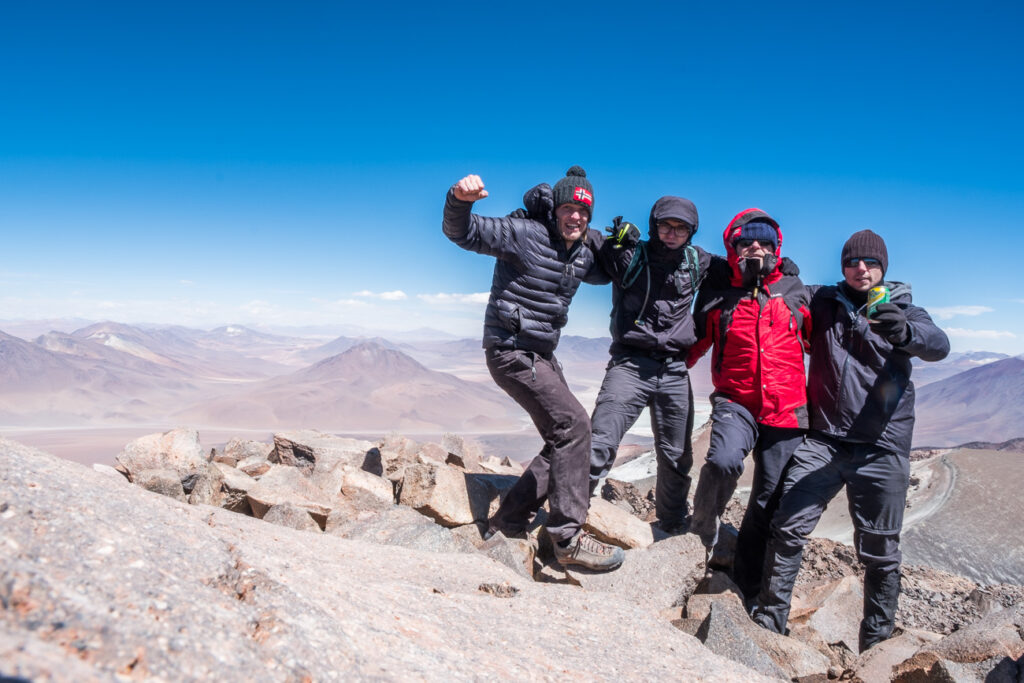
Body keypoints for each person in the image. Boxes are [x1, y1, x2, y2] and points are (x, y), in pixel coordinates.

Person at [752, 230, 950, 652]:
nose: (862, 269)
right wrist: (781, 275)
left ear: (883, 268)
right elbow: (789, 294)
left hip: (883, 446)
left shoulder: (904, 308)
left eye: (871, 263)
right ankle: (769, 628)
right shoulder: (824, 299)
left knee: (880, 552)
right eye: (853, 262)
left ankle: (874, 651)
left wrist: (903, 331)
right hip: (825, 440)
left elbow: (939, 346)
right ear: (842, 267)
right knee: (787, 526)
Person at [442, 165, 625, 571]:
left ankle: (508, 520)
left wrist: (622, 244)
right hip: (511, 350)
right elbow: (463, 232)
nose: (575, 217)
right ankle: (567, 538)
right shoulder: (524, 233)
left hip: (541, 354)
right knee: (574, 426)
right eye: (568, 208)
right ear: (556, 208)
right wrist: (459, 199)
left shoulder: (582, 247)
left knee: (562, 437)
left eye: (584, 211)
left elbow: (612, 264)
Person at [686, 209, 811, 604]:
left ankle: (749, 587)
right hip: (736, 401)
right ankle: (700, 533)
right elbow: (695, 341)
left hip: (786, 409)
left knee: (768, 500)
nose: (754, 247)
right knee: (722, 460)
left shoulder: (795, 289)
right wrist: (653, 369)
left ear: (776, 247)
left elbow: (823, 342)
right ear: (733, 248)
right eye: (745, 242)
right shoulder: (720, 293)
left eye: (763, 242)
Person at [586, 196, 718, 533]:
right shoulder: (629, 253)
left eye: (681, 228)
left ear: (692, 232)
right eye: (665, 226)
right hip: (630, 364)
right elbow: (581, 234)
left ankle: (671, 526)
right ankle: (568, 519)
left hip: (674, 370)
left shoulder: (697, 262)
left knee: (676, 457)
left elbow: (740, 268)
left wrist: (782, 272)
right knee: (599, 443)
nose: (672, 233)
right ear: (653, 226)